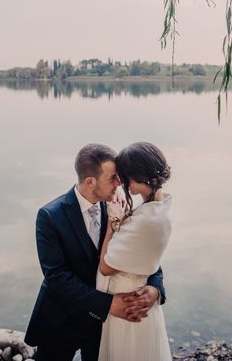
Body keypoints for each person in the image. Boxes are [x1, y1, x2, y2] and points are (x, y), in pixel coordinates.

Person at [24, 143, 166, 361]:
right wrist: (108, 305)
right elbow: (56, 276)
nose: (120, 184)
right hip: (62, 320)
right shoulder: (50, 216)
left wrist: (155, 288)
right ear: (90, 182)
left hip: (103, 327)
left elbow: (144, 253)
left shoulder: (120, 207)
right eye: (113, 178)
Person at [96, 142, 173, 361]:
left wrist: (112, 226)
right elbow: (148, 257)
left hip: (128, 307)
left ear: (138, 175)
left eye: (126, 177)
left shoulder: (147, 219)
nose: (123, 184)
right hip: (133, 303)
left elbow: (106, 267)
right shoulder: (161, 206)